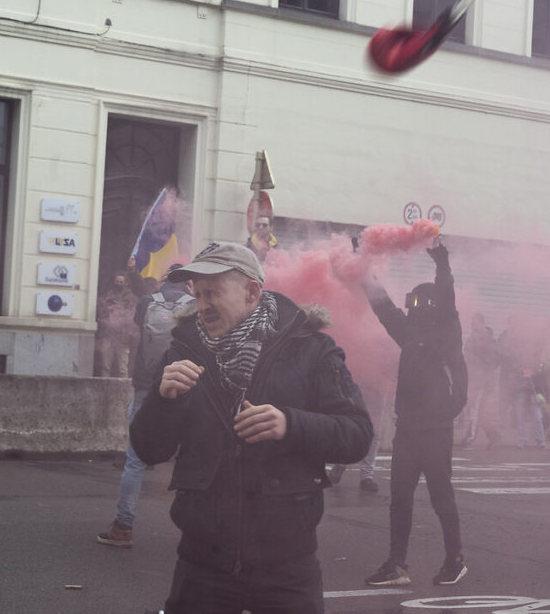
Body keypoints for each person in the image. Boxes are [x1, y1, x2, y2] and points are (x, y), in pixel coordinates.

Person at [129, 242, 373, 614]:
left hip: (287, 566)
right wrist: (164, 400)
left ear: (252, 292)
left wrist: (291, 424)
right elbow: (148, 449)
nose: (202, 305)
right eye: (198, 295)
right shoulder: (183, 351)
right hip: (202, 563)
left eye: (213, 293)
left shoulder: (312, 349)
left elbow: (357, 434)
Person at [363, 241, 469, 587]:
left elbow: (448, 301)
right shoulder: (409, 333)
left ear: (431, 305)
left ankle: (455, 560)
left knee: (442, 498)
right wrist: (364, 271)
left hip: (435, 432)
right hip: (408, 430)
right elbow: (383, 308)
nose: (409, 309)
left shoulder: (448, 334)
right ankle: (396, 564)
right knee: (400, 500)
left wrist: (443, 263)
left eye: (417, 303)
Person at [97, 263, 193, 549]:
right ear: (189, 282)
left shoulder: (146, 302)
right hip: (185, 386)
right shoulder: (196, 306)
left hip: (146, 386)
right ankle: (195, 534)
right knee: (192, 459)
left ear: (164, 279)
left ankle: (122, 528)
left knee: (135, 462)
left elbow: (139, 329)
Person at [457, 312, 499, 448]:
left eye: (475, 322)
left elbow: (492, 362)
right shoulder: (472, 338)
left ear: (481, 323)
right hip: (474, 379)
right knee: (478, 411)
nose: (472, 325)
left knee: (476, 410)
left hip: (484, 382)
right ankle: (494, 435)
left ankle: (470, 438)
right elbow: (467, 356)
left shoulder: (488, 340)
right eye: (472, 322)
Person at [95, 272, 138, 378]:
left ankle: (125, 394)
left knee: (123, 369)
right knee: (105, 367)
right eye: (117, 282)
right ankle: (103, 391)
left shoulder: (131, 297)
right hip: (108, 335)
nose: (118, 284)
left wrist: (121, 309)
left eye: (121, 282)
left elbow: (133, 316)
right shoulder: (107, 296)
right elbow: (101, 314)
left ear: (126, 283)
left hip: (123, 338)